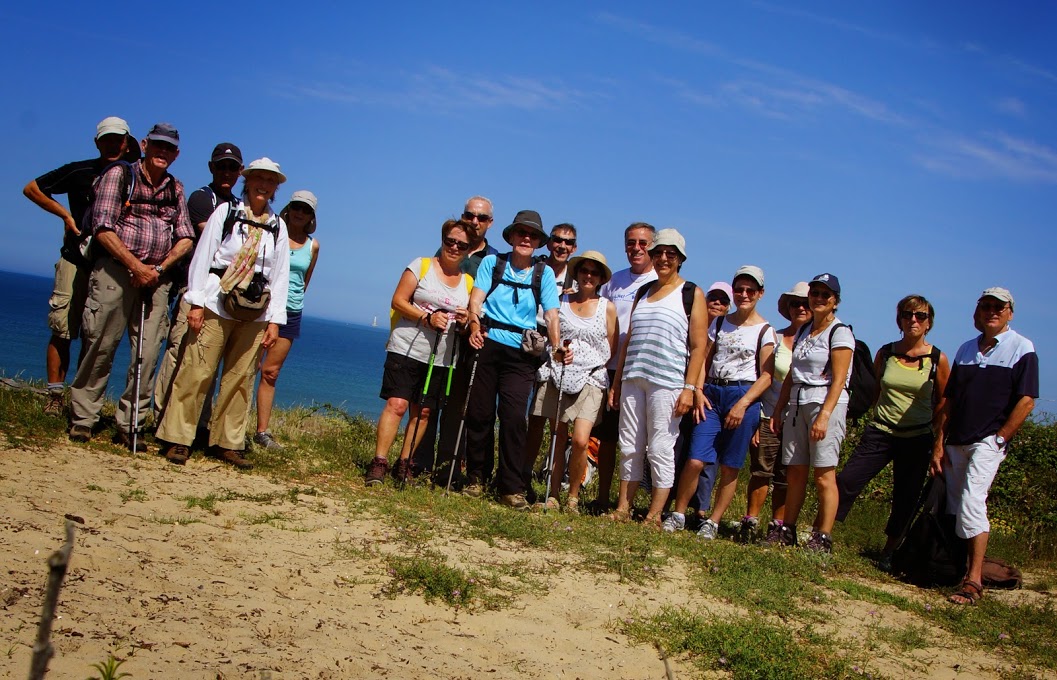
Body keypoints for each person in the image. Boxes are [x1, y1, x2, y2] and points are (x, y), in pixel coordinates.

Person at [155, 158, 291, 468]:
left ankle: (228, 442)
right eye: (258, 178)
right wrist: (196, 302)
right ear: (248, 180)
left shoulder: (277, 226)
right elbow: (203, 256)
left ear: (276, 187)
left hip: (256, 310)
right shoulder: (226, 212)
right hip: (217, 300)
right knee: (197, 370)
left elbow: (279, 275)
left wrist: (275, 321)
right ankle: (178, 437)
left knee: (241, 377)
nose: (264, 185)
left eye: (270, 181)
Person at [68, 123, 195, 448]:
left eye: (169, 148)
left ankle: (131, 425)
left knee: (147, 353)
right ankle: (83, 418)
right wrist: (136, 266)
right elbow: (102, 226)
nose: (162, 152)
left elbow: (185, 237)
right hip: (114, 271)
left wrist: (159, 268)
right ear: (144, 144)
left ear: (176, 154)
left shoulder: (175, 188)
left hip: (156, 278)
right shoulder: (120, 175)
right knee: (101, 344)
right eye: (158, 146)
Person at [932, 287, 1037, 605]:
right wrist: (939, 443)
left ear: (1010, 313)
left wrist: (1001, 438)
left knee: (972, 504)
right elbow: (949, 401)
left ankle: (974, 581)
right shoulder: (965, 349)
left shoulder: (1022, 347)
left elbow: (1027, 400)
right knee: (954, 507)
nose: (992, 311)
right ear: (977, 312)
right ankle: (956, 570)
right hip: (956, 442)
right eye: (986, 306)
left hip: (986, 441)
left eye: (999, 307)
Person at [22, 116, 132, 415]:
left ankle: (81, 401)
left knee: (95, 335)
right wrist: (66, 216)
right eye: (107, 139)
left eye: (118, 139)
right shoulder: (79, 170)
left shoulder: (132, 175)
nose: (112, 144)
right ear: (97, 142)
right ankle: (55, 396)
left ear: (127, 142)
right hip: (75, 259)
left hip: (109, 265)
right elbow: (32, 188)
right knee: (63, 328)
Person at [834, 295, 950, 569]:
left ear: (929, 322)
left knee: (906, 496)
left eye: (920, 316)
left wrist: (937, 439)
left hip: (917, 436)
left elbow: (945, 400)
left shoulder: (937, 359)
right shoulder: (886, 353)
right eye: (908, 314)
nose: (913, 320)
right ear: (899, 319)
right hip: (881, 431)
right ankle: (823, 533)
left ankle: (888, 552)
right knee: (846, 480)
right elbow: (874, 390)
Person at [664, 266, 776, 538]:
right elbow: (703, 357)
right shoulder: (720, 323)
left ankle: (713, 521)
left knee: (730, 465)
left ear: (761, 293)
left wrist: (743, 404)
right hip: (713, 393)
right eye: (739, 289)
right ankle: (678, 513)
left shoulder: (765, 330)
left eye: (751, 290)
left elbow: (767, 376)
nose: (744, 295)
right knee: (695, 459)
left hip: (743, 396)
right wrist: (699, 390)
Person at [464, 210, 564, 509]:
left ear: (537, 242)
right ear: (511, 236)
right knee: (479, 413)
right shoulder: (492, 264)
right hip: (488, 341)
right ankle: (476, 478)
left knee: (512, 418)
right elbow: (476, 300)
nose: (526, 238)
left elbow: (551, 314)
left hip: (522, 352)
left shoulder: (543, 273)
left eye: (532, 235)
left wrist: (556, 345)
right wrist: (472, 326)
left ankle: (511, 487)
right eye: (521, 232)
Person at [609, 229, 707, 526]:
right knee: (630, 444)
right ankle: (623, 507)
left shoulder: (691, 293)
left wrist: (690, 388)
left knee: (661, 447)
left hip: (667, 382)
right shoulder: (643, 291)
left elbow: (698, 345)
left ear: (680, 259)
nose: (664, 258)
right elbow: (627, 341)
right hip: (633, 377)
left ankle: (654, 514)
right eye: (659, 253)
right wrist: (616, 382)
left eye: (671, 254)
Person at [367, 219, 472, 484]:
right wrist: (426, 318)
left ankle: (404, 463)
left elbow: (470, 320)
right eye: (450, 241)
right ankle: (379, 462)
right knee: (397, 404)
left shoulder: (468, 282)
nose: (454, 247)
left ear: (468, 250)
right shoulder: (421, 265)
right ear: (442, 240)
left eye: (461, 244)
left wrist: (464, 321)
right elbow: (398, 300)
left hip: (442, 357)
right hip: (407, 347)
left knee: (423, 411)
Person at [154, 142, 244, 425]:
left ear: (240, 171)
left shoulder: (239, 206)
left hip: (222, 293)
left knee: (207, 360)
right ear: (211, 168)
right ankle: (160, 416)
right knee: (178, 351)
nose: (227, 172)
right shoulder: (201, 199)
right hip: (194, 287)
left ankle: (196, 422)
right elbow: (218, 244)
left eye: (232, 167)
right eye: (221, 166)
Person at [770, 273, 853, 552]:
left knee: (823, 474)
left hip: (823, 402)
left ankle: (822, 537)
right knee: (795, 471)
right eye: (814, 293)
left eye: (825, 295)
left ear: (835, 302)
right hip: (797, 402)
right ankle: (787, 529)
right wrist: (780, 408)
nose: (818, 299)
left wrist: (825, 415)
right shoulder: (805, 331)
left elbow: (840, 379)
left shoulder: (840, 332)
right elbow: (793, 374)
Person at [533, 251, 617, 513]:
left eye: (594, 272)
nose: (588, 276)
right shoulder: (561, 301)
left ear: (601, 277)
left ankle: (573, 495)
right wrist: (558, 351)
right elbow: (551, 334)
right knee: (558, 436)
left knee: (581, 440)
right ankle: (554, 494)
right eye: (584, 271)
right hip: (559, 373)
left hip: (591, 377)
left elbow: (611, 346)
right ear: (577, 273)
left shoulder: (607, 307)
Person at [427, 196, 501, 481]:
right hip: (441, 337)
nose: (474, 221)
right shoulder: (450, 246)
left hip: (473, 341)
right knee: (431, 402)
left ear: (490, 223)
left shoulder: (495, 260)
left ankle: (450, 470)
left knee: (464, 408)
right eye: (470, 215)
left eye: (481, 218)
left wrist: (472, 320)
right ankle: (422, 464)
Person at [590, 223, 658, 512]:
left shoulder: (660, 282)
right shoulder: (613, 282)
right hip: (609, 368)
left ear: (653, 246)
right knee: (606, 439)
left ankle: (633, 503)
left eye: (643, 243)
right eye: (631, 243)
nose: (637, 248)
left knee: (639, 442)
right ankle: (604, 497)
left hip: (641, 370)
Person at [254, 190, 321, 449]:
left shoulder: (313, 246)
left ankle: (262, 432)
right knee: (246, 367)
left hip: (291, 311)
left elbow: (304, 282)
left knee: (270, 372)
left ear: (311, 216)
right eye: (296, 207)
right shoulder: (273, 232)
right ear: (288, 207)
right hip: (263, 307)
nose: (299, 213)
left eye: (305, 210)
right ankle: (230, 425)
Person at [671, 280, 733, 524]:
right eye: (714, 298)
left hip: (710, 398)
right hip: (684, 391)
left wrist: (700, 391)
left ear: (729, 307)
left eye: (723, 300)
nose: (717, 303)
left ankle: (700, 510)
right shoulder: (692, 323)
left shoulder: (726, 332)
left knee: (707, 457)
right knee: (680, 450)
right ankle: (671, 501)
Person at [523, 222, 580, 486]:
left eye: (568, 242)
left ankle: (550, 475)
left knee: (554, 419)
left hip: (557, 348)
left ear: (574, 247)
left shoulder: (578, 280)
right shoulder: (535, 268)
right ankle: (523, 470)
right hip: (528, 340)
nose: (562, 245)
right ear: (549, 243)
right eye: (557, 240)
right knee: (529, 414)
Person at [758, 282, 811, 544]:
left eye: (805, 303)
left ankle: (779, 525)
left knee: (787, 475)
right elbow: (763, 376)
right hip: (770, 414)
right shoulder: (775, 337)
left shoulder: (819, 342)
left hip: (801, 416)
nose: (800, 307)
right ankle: (750, 520)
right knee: (761, 471)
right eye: (794, 303)